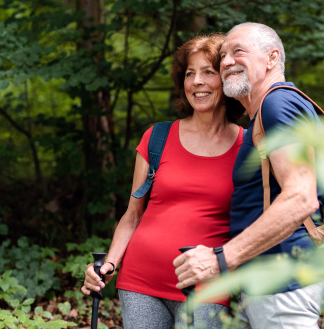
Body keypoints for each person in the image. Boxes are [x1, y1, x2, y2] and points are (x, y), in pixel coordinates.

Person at [81, 33, 245, 328]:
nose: (197, 81)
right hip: (141, 281)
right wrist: (108, 265)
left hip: (207, 284)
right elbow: (132, 216)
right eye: (190, 73)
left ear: (226, 79)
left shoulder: (249, 146)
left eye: (208, 71)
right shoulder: (157, 137)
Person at [173, 22, 324, 329]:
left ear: (271, 59)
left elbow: (301, 196)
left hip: (283, 286)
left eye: (238, 51)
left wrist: (221, 258)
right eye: (223, 55)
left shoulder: (277, 104)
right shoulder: (266, 112)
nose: (226, 61)